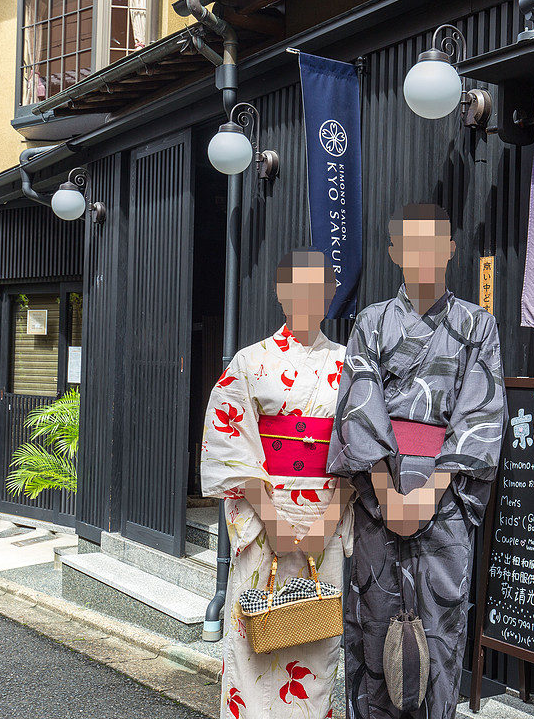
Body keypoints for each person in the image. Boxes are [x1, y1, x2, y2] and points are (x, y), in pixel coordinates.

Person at [328, 204, 507, 719]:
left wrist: (428, 494)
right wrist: (387, 493)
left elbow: (481, 410)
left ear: (451, 249)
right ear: (394, 253)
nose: (423, 256)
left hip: (445, 499)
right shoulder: (370, 322)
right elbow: (359, 404)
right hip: (378, 496)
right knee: (373, 623)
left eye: (435, 244)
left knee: (440, 627)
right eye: (411, 245)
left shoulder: (478, 325)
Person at [202, 249, 353, 719]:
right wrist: (272, 521)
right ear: (280, 292)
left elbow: (360, 453)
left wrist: (328, 522)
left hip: (324, 519)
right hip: (264, 521)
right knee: (253, 650)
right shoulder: (250, 363)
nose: (310, 296)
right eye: (298, 286)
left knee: (316, 652)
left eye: (320, 287)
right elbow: (230, 447)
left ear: (332, 294)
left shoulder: (351, 365)